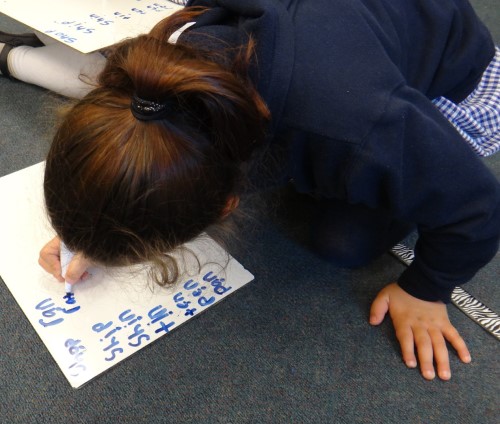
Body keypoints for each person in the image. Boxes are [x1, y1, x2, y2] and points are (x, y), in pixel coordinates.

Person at [1, 0, 498, 381]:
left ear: (228, 203)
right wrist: (96, 223)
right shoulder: (155, 71)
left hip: (455, 75)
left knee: (344, 243)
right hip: (341, 42)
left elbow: (477, 209)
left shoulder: (362, 130)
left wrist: (427, 289)